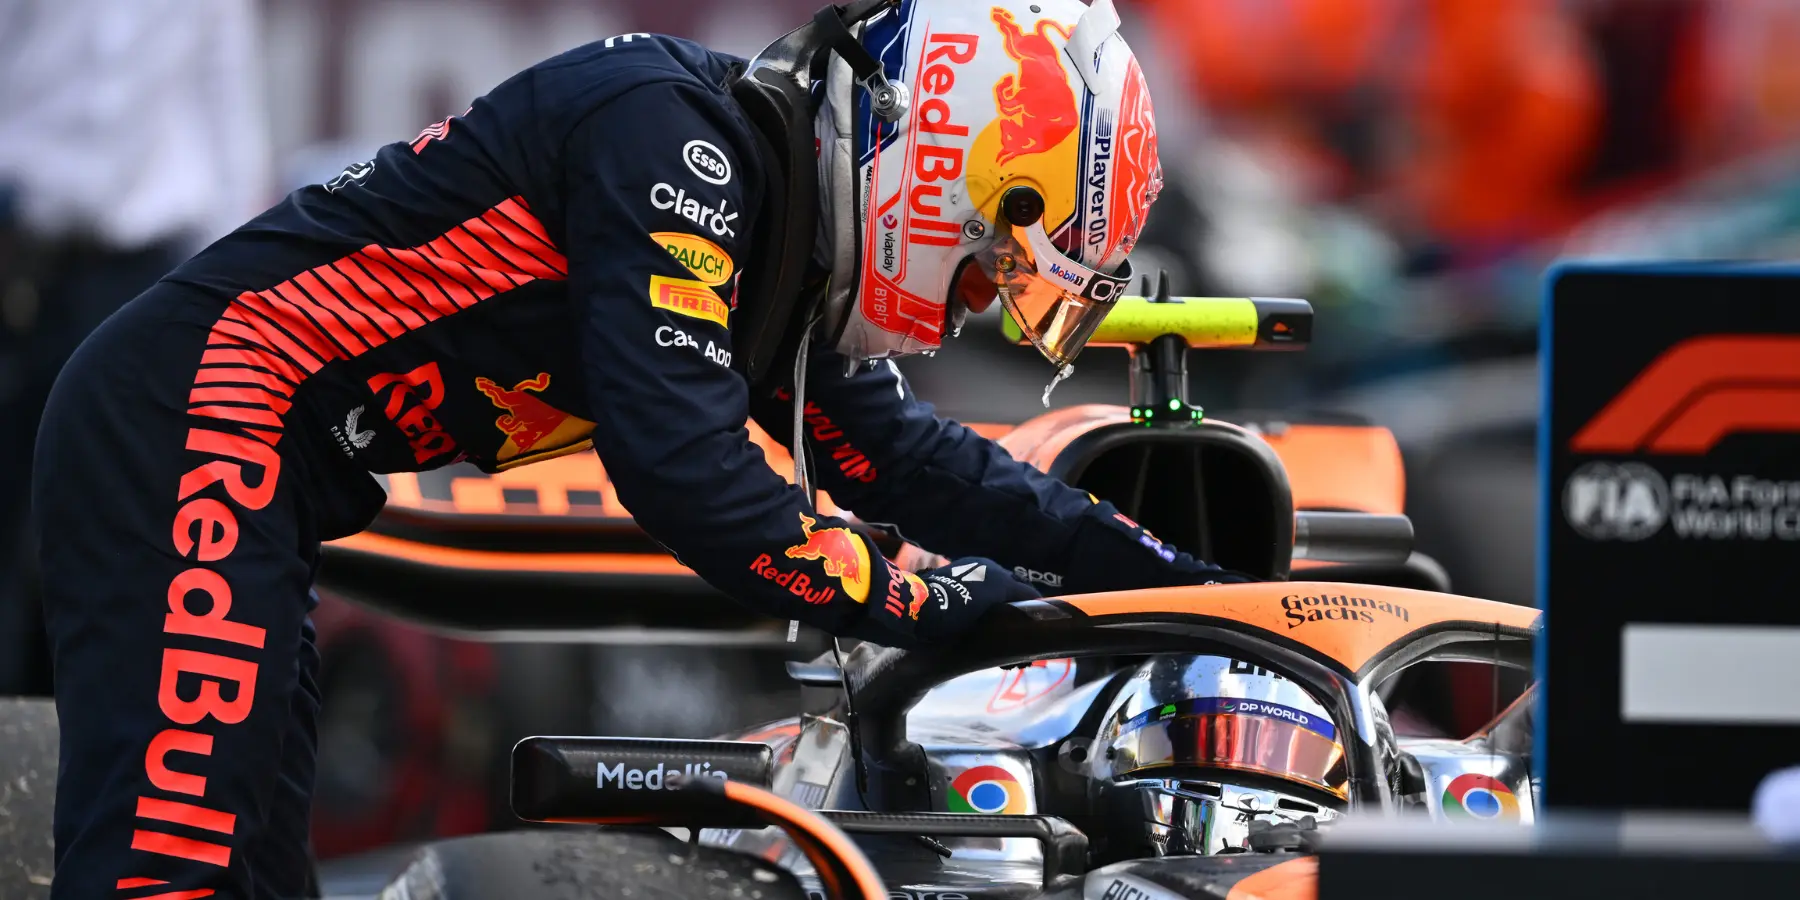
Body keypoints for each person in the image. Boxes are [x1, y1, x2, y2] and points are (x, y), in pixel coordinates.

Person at [33, 0, 1247, 895]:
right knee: (171, 864)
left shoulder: (774, 222)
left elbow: (905, 461)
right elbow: (687, 477)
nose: (976, 302)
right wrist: (944, 603)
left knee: (255, 869)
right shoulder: (677, 145)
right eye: (992, 265)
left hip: (258, 469)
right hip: (197, 415)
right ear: (942, 174)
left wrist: (1165, 579)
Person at [0, 0, 271, 697]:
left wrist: (236, 301)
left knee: (115, 530)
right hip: (19, 248)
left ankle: (85, 754)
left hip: (140, 273)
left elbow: (228, 113)